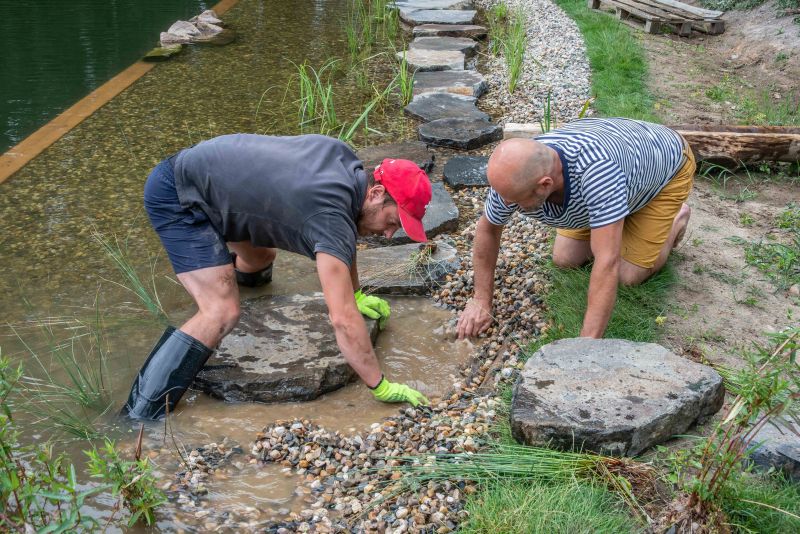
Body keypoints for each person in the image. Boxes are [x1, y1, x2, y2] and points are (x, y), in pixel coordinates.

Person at [124, 134, 433, 419]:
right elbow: (342, 319)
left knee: (261, 258)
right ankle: (140, 412)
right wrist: (378, 384)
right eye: (393, 221)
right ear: (377, 193)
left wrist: (356, 294)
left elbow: (343, 239)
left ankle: (230, 284)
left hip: (212, 184)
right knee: (222, 312)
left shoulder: (346, 164)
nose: (390, 234)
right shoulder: (330, 214)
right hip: (178, 196)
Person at [457, 118, 695, 340]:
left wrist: (583, 347)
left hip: (665, 167)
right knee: (565, 258)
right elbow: (488, 229)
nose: (505, 203)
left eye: (514, 200)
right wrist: (480, 300)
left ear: (545, 186)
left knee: (627, 276)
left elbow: (607, 261)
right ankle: (613, 215)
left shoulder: (598, 174)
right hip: (621, 157)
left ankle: (676, 220)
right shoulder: (513, 177)